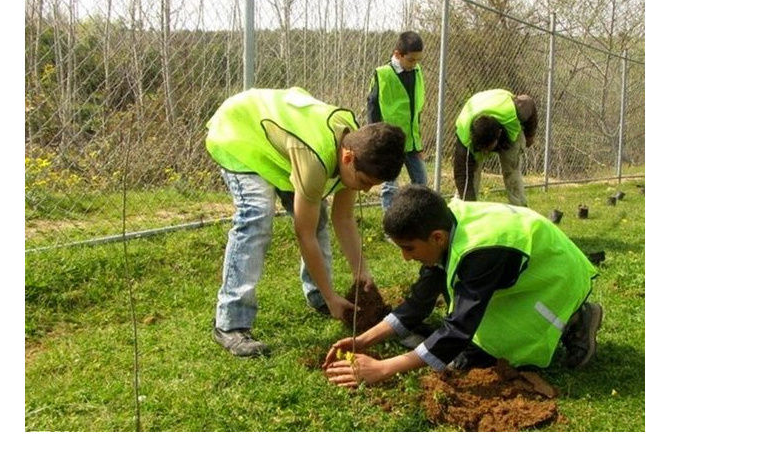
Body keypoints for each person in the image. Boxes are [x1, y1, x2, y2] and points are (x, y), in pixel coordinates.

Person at [324, 184, 601, 388]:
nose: (405, 257)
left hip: (554, 279)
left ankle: (577, 319)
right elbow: (420, 301)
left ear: (436, 238)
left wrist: (384, 368)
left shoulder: (478, 252)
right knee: (468, 347)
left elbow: (458, 329)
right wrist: (362, 340)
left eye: (408, 248)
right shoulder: (444, 223)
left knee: (488, 356)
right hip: (522, 270)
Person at [206, 86, 406, 358]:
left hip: (281, 144)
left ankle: (318, 298)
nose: (367, 190)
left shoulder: (358, 147)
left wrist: (362, 273)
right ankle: (231, 323)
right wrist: (331, 295)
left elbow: (344, 219)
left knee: (319, 215)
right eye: (365, 183)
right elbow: (305, 235)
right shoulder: (316, 158)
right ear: (347, 158)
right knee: (256, 215)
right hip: (240, 130)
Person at [367, 31, 427, 212]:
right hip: (389, 140)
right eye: (411, 60)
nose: (414, 64)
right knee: (390, 186)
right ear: (397, 54)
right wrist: (375, 139)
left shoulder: (416, 72)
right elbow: (372, 106)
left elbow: (416, 109)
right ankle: (390, 223)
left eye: (418, 60)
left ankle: (416, 216)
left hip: (411, 141)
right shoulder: (382, 74)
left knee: (421, 181)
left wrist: (418, 142)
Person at [453, 89, 538, 206]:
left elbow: (530, 102)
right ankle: (462, 209)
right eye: (482, 149)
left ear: (498, 135)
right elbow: (462, 175)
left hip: (507, 124)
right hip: (477, 114)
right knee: (470, 174)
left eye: (487, 148)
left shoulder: (517, 110)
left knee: (512, 171)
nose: (486, 152)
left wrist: (529, 136)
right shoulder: (464, 137)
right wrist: (469, 207)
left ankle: (520, 209)